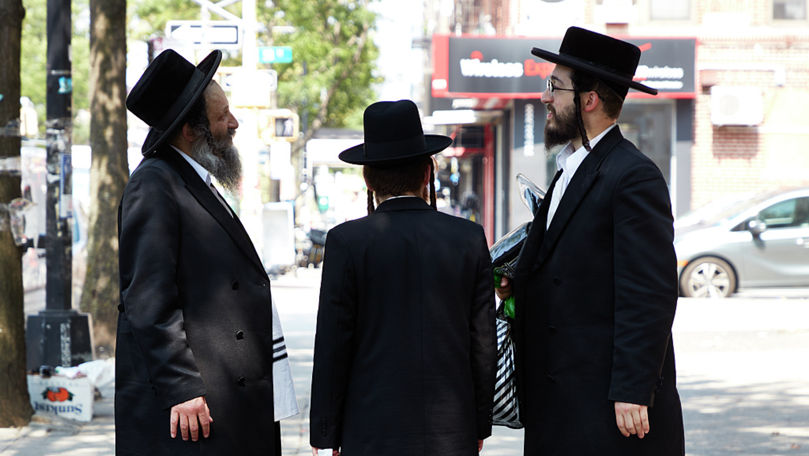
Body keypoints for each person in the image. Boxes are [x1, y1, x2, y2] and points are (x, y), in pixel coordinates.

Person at [497, 27, 685, 455]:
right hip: (559, 400)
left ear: (589, 100)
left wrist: (633, 389)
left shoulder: (633, 176)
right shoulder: (570, 168)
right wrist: (517, 283)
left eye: (555, 86)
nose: (545, 97)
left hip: (605, 407)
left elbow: (649, 292)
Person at [116, 49, 296, 455]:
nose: (234, 123)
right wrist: (181, 386)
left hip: (227, 395)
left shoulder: (189, 178)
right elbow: (147, 298)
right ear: (189, 130)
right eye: (222, 116)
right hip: (198, 406)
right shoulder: (154, 184)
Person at [309, 99, 497, 456]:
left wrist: (326, 431)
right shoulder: (468, 238)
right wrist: (479, 422)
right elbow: (484, 343)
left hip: (370, 432)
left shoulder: (346, 242)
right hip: (451, 432)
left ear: (367, 178)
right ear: (427, 173)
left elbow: (333, 344)